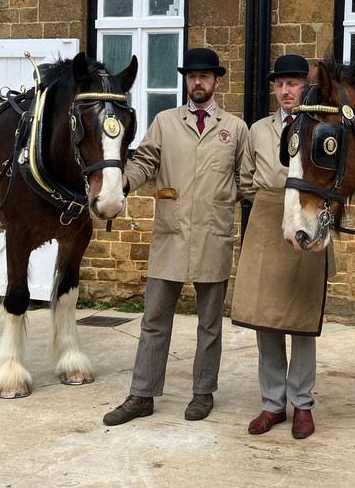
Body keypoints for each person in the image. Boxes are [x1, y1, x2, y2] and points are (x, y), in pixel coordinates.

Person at [102, 47, 248, 426]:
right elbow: (144, 161)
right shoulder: (166, 121)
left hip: (214, 235)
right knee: (153, 318)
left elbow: (247, 182)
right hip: (170, 234)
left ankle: (203, 393)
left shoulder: (235, 128)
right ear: (186, 80)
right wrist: (121, 185)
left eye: (204, 76)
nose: (197, 82)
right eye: (191, 76)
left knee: (210, 324)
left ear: (217, 81)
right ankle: (142, 394)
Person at [230, 54, 335, 439]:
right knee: (266, 319)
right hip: (266, 215)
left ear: (306, 87)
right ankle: (272, 403)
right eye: (280, 84)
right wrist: (267, 204)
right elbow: (244, 178)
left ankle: (303, 404)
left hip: (305, 214)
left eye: (293, 83)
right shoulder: (257, 130)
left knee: (302, 321)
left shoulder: (323, 127)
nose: (287, 90)